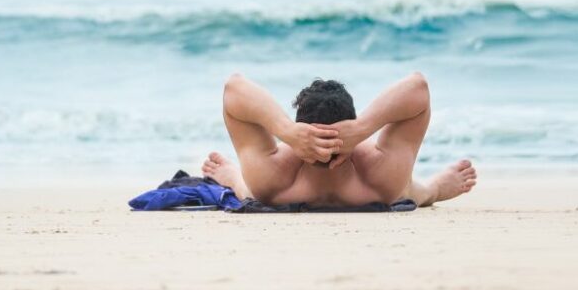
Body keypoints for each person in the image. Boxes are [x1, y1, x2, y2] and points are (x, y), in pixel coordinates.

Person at [201, 71, 477, 208]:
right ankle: (435, 188)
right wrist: (362, 129)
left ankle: (233, 177)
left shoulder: (273, 181)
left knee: (250, 189)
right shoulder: (380, 180)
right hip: (371, 186)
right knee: (409, 191)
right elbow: (418, 87)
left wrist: (286, 131)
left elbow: (233, 89)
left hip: (279, 188)